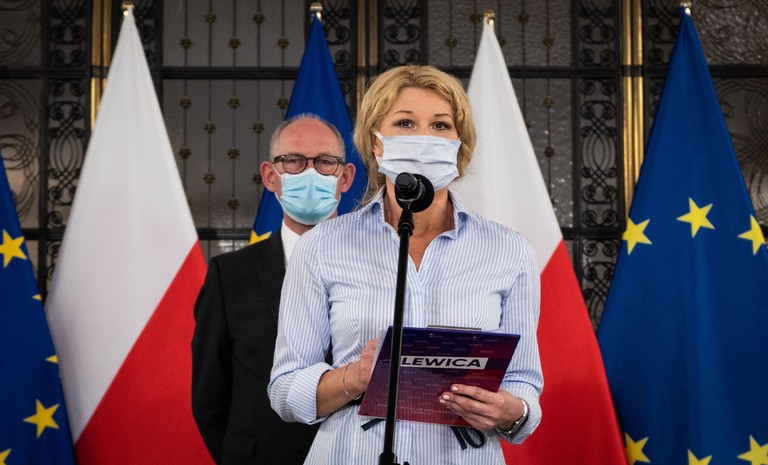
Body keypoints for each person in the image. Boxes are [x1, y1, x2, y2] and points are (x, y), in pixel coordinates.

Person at [268, 65, 543, 464]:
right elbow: (284, 391)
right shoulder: (321, 246)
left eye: (440, 125)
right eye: (405, 123)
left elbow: (524, 386)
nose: (423, 137)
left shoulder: (510, 251)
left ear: (459, 144)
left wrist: (510, 411)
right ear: (375, 142)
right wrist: (353, 378)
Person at [192, 114, 356, 465]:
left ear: (345, 177)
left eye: (324, 162)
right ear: (270, 176)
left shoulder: (382, 268)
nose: (310, 173)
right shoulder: (228, 275)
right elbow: (209, 394)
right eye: (293, 161)